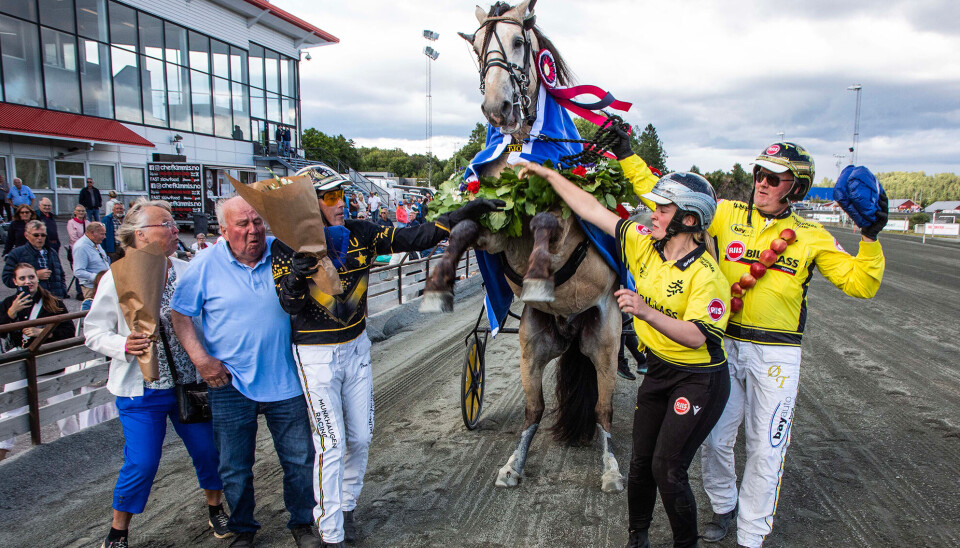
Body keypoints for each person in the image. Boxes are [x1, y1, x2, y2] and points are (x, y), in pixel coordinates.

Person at [619, 142, 886, 548]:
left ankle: (751, 534)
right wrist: (626, 154)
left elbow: (861, 284)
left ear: (796, 188)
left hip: (776, 355)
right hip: (722, 348)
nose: (762, 183)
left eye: (774, 179)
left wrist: (870, 236)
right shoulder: (725, 214)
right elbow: (668, 195)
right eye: (760, 174)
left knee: (766, 448)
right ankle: (724, 506)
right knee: (715, 441)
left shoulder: (811, 236)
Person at [273, 169, 502, 546]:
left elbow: (415, 236)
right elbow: (289, 304)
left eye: (343, 195)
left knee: (361, 438)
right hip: (316, 356)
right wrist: (296, 277)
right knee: (331, 444)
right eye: (330, 197)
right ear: (307, 205)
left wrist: (463, 213)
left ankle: (346, 506)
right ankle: (330, 532)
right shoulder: (286, 246)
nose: (341, 203)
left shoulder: (362, 232)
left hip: (356, 347)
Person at [518, 162, 731, 548]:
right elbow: (590, 209)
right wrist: (547, 175)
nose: (653, 214)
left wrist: (645, 312)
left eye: (663, 209)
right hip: (660, 372)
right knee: (640, 465)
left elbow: (697, 336)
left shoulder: (708, 276)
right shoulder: (642, 242)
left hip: (699, 379)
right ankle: (638, 538)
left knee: (668, 469)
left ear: (688, 219)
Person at [170, 196, 318, 548]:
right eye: (242, 224)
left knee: (300, 460)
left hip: (287, 379)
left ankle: (303, 522)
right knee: (234, 466)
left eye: (257, 221)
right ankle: (242, 528)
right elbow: (180, 313)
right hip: (230, 382)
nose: (253, 230)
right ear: (223, 230)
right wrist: (201, 360)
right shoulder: (205, 264)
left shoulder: (283, 253)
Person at [85, 199, 228, 548]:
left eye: (173, 223)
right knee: (142, 462)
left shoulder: (187, 269)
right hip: (141, 389)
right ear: (140, 234)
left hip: (190, 383)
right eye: (165, 224)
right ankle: (118, 530)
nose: (174, 229)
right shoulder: (116, 277)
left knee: (208, 451)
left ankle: (216, 507)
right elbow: (93, 332)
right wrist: (122, 344)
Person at [0, 263, 76, 459]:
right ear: (15, 281)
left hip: (50, 366)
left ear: (37, 278)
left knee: (65, 412)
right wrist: (10, 313)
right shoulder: (8, 303)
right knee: (10, 411)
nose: (28, 282)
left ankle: (75, 453)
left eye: (31, 277)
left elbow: (69, 331)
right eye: (23, 278)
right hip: (21, 367)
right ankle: (1, 454)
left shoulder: (53, 302)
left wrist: (42, 332)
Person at [3, 220, 67, 298]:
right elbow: (7, 278)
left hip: (54, 298)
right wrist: (34, 276)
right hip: (31, 298)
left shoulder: (52, 252)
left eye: (43, 235)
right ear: (26, 235)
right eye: (36, 235)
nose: (40, 238)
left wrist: (63, 291)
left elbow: (61, 274)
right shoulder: (17, 253)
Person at [72, 222, 111, 300]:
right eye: (102, 234)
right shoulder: (81, 247)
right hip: (91, 288)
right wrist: (97, 277)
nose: (104, 237)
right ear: (92, 233)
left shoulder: (96, 243)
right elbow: (78, 271)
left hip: (102, 285)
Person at [66, 205, 89, 299]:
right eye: (79, 211)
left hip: (87, 249)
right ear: (75, 212)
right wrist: (84, 243)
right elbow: (73, 237)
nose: (81, 213)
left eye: (83, 211)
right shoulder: (71, 223)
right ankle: (79, 291)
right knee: (78, 269)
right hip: (76, 249)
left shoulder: (87, 223)